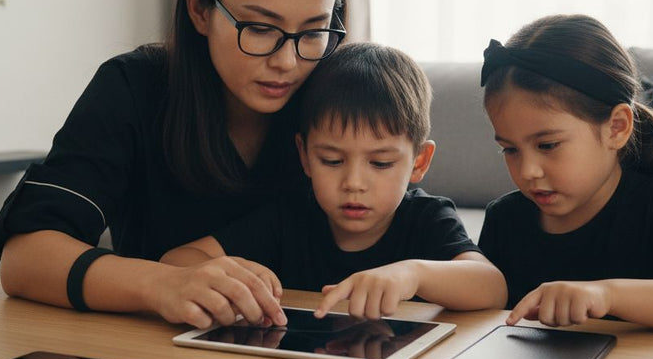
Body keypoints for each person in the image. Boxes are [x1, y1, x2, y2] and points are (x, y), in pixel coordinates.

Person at [0, 0, 349, 329]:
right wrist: (160, 284)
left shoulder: (336, 94)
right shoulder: (134, 88)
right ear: (199, 8)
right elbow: (25, 258)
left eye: (313, 32)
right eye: (259, 28)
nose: (287, 62)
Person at [161, 42, 507, 319]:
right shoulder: (289, 217)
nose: (353, 182)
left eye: (381, 163)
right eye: (332, 160)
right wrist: (234, 273)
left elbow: (492, 287)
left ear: (420, 162)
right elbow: (178, 260)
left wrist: (412, 274)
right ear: (304, 155)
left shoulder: (426, 219)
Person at [478, 14, 653, 332]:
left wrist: (607, 294)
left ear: (617, 128)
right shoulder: (505, 218)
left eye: (549, 145)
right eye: (510, 150)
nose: (527, 171)